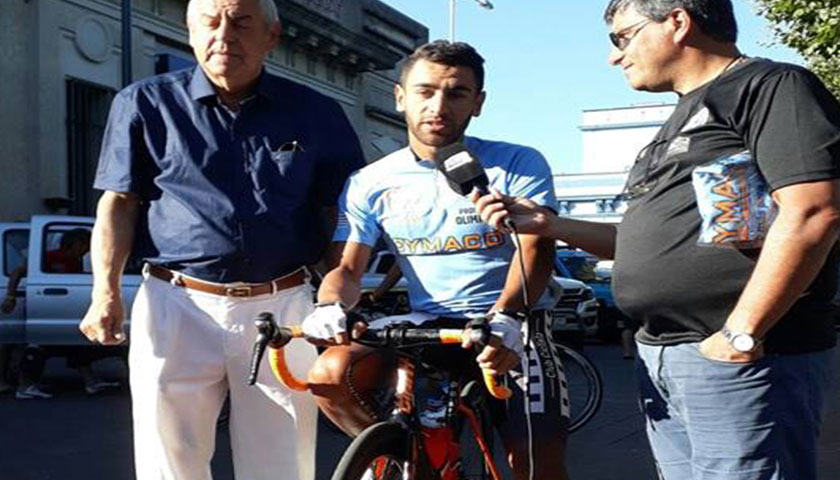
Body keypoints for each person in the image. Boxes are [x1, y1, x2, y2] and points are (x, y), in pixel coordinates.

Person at [473, 1, 840, 478]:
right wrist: (548, 224)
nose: (615, 56)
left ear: (678, 22)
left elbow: (813, 210)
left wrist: (742, 333)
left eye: (622, 37)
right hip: (667, 355)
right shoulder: (682, 117)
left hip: (740, 354)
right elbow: (643, 242)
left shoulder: (769, 86)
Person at [78, 0, 365, 478]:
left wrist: (335, 289)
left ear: (272, 36)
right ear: (190, 31)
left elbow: (346, 211)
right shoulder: (145, 103)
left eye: (241, 22)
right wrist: (104, 293)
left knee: (282, 462)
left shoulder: (317, 113)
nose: (224, 35)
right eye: (210, 22)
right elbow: (119, 201)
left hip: (284, 305)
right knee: (169, 462)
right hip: (176, 303)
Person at [302, 40, 570, 480]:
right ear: (400, 96)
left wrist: (507, 315)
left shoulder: (516, 162)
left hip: (511, 322)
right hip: (430, 327)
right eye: (425, 91)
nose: (439, 106)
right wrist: (329, 305)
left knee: (534, 463)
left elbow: (536, 251)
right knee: (330, 374)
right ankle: (400, 455)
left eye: (457, 93)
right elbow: (347, 268)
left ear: (478, 103)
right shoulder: (369, 181)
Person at [1, 228, 119, 399]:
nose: (87, 249)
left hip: (58, 311)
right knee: (36, 345)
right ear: (75, 243)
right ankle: (25, 386)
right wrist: (10, 297)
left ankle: (91, 382)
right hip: (42, 310)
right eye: (85, 244)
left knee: (74, 343)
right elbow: (17, 272)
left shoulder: (75, 261)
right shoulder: (49, 257)